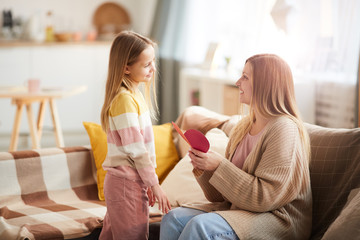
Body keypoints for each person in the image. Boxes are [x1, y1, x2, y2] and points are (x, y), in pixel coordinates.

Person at [160, 54, 312, 240]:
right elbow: (220, 197)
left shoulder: (284, 128)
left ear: (265, 84)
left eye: (245, 77)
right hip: (239, 209)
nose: (238, 82)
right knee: (172, 218)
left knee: (200, 227)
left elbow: (265, 197)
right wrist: (204, 167)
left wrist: (219, 166)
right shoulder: (243, 127)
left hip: (276, 217)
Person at [99, 31, 171, 240]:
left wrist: (146, 182)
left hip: (129, 181)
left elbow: (141, 148)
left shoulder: (134, 95)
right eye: (146, 64)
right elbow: (137, 149)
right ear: (126, 67)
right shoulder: (124, 100)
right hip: (125, 184)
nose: (153, 69)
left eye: (153, 62)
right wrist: (154, 184)